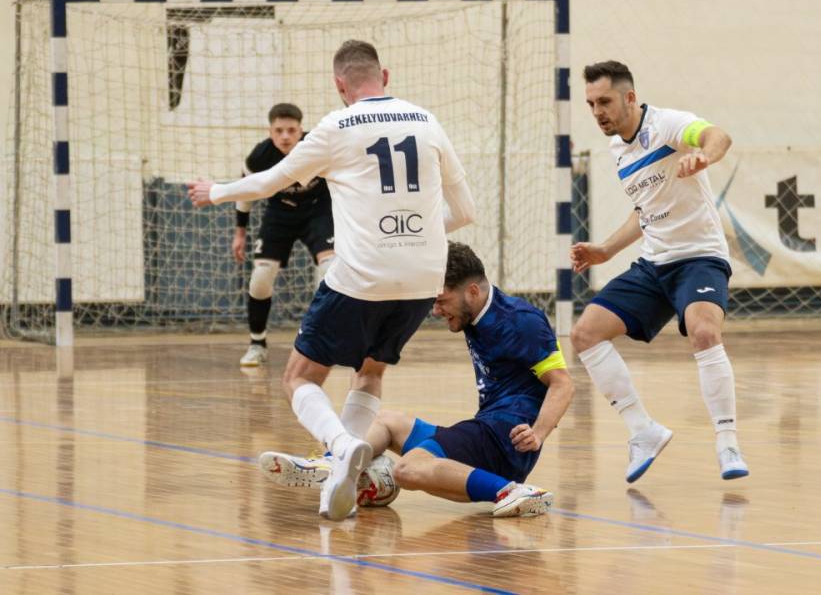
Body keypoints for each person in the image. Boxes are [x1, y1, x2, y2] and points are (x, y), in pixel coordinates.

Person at [187, 39, 477, 521]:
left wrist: (215, 191)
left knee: (298, 377)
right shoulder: (427, 121)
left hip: (363, 275)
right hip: (423, 278)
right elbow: (467, 212)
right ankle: (340, 480)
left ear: (339, 85)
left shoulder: (337, 125)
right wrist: (417, 238)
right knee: (370, 371)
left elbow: (268, 182)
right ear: (385, 76)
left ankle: (340, 445)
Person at [260, 241, 574, 518]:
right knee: (384, 421)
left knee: (407, 469)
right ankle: (336, 463)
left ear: (473, 291)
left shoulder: (521, 321)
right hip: (486, 428)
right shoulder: (476, 311)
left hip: (506, 436)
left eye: (441, 301)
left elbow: (563, 383)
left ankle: (513, 492)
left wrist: (538, 433)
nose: (436, 310)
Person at [570, 60, 749, 483]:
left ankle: (727, 441)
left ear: (630, 97)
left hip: (699, 256)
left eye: (606, 101)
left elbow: (716, 135)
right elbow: (645, 211)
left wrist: (704, 154)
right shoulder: (618, 149)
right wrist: (605, 250)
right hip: (655, 262)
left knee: (704, 332)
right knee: (584, 334)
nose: (598, 112)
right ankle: (643, 431)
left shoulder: (667, 125)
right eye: (592, 104)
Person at [232, 103, 335, 367]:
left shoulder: (317, 147)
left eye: (291, 130)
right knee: (260, 279)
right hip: (280, 214)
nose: (285, 137)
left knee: (331, 272)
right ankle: (257, 343)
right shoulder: (259, 157)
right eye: (279, 131)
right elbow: (245, 195)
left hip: (318, 212)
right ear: (270, 131)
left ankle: (325, 341)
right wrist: (240, 233)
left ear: (301, 130)